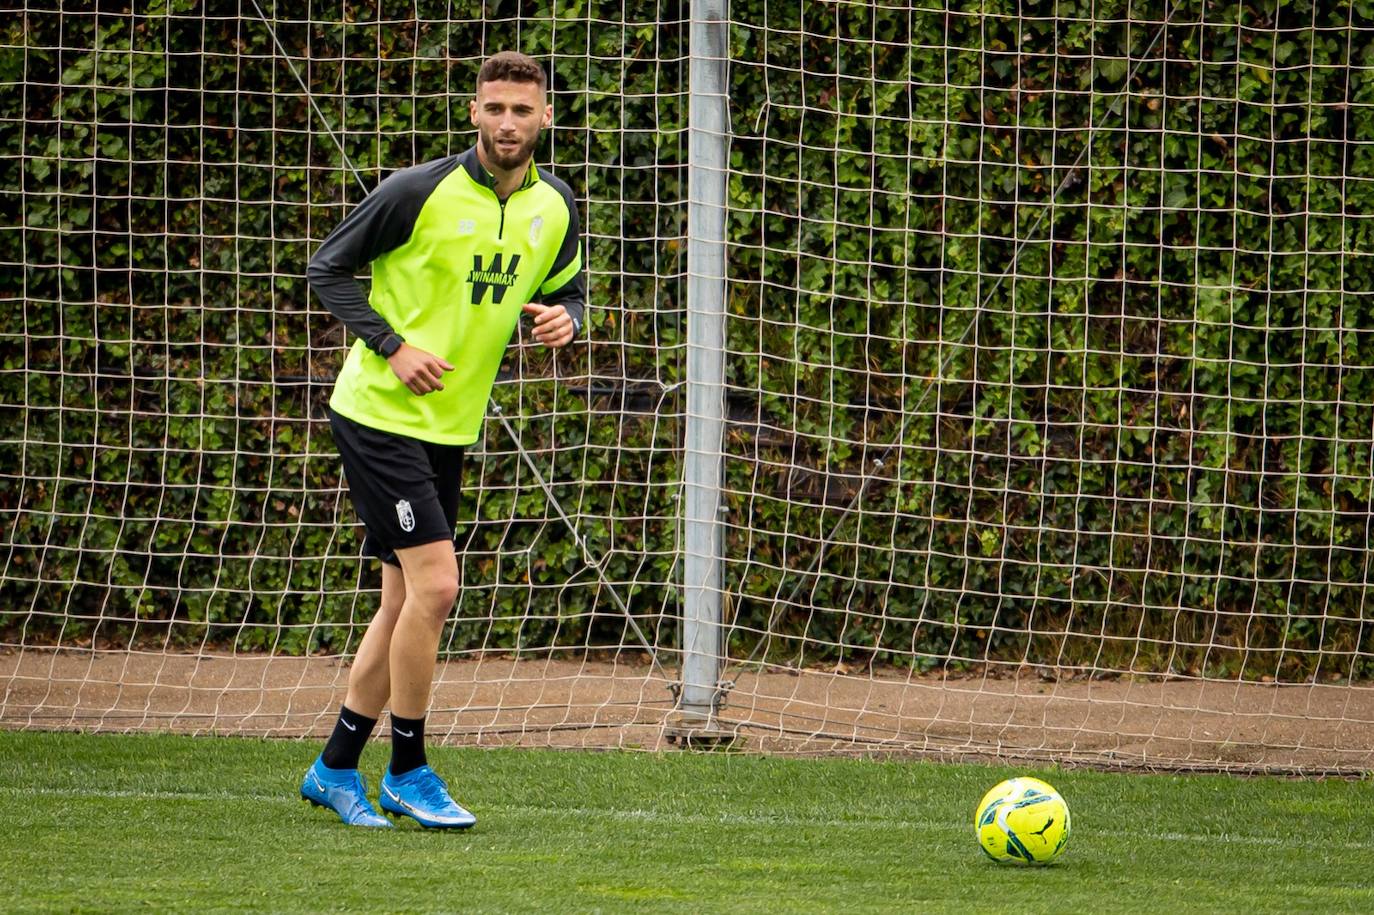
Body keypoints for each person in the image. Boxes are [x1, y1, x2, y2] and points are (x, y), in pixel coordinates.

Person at [300, 50, 584, 828]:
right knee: (436, 587)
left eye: (522, 110)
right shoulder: (415, 190)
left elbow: (566, 290)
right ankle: (408, 768)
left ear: (545, 118)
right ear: (474, 112)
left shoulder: (555, 205)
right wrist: (394, 345)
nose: (507, 122)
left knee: (402, 599)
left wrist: (569, 319)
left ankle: (332, 767)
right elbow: (327, 269)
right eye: (494, 107)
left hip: (449, 424)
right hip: (380, 413)